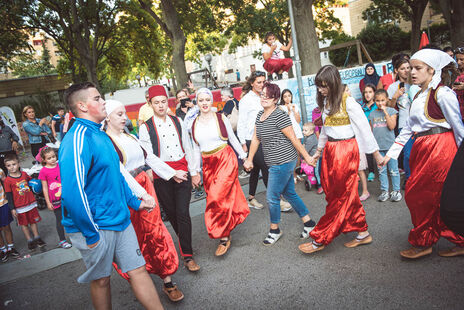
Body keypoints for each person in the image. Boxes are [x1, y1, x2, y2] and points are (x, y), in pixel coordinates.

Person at [59, 82, 163, 310]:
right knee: (102, 279)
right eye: (97, 98)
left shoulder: (102, 135)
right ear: (82, 106)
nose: (103, 101)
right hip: (95, 225)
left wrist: (135, 202)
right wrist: (90, 233)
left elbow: (116, 175)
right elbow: (72, 192)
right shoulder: (77, 138)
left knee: (138, 269)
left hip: (120, 219)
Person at [380, 49, 464, 259]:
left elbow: (458, 128)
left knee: (433, 197)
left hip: (441, 149)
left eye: (418, 68)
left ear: (431, 70)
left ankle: (431, 241)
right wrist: (390, 154)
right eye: (412, 68)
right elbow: (408, 128)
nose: (412, 72)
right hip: (422, 148)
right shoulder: (417, 94)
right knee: (420, 196)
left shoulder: (443, 94)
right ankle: (428, 240)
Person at [105, 99, 189, 302]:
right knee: (134, 238)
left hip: (145, 186)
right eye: (119, 114)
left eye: (124, 112)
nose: (125, 117)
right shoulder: (106, 142)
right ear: (107, 118)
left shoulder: (130, 137)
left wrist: (172, 173)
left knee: (156, 232)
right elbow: (121, 173)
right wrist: (142, 196)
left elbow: (149, 157)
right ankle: (140, 280)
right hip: (128, 194)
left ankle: (167, 281)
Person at [299, 65, 382, 254]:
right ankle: (362, 232)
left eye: (324, 86)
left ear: (333, 83)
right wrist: (318, 152)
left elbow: (364, 130)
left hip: (345, 151)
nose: (320, 90)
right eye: (319, 86)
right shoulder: (327, 102)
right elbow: (326, 131)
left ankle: (321, 237)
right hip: (331, 151)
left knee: (340, 196)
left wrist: (376, 154)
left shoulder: (349, 102)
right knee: (343, 194)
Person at [244, 82, 316, 245]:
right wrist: (249, 159)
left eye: (268, 95)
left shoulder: (280, 115)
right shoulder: (259, 115)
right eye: (262, 94)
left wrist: (307, 157)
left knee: (271, 197)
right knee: (290, 193)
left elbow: (294, 139)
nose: (264, 98)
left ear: (276, 98)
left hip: (284, 161)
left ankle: (275, 229)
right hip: (273, 162)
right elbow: (256, 138)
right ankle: (309, 223)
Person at [139, 85, 201, 271]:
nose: (160, 106)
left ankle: (188, 255)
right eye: (156, 103)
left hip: (183, 170)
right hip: (162, 176)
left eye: (163, 102)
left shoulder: (177, 121)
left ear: (168, 102)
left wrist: (194, 171)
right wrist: (172, 173)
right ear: (150, 104)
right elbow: (149, 156)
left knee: (183, 213)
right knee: (173, 214)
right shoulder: (145, 127)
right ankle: (185, 244)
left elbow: (187, 147)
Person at [190, 88, 250, 255]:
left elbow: (232, 138)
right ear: (197, 102)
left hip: (225, 158)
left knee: (216, 197)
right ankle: (226, 233)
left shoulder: (220, 117)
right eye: (200, 100)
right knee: (217, 198)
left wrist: (244, 157)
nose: (204, 103)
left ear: (211, 101)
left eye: (207, 100)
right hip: (207, 164)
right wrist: (194, 171)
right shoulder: (193, 123)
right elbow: (195, 149)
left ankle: (223, 237)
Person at [237, 72, 292, 211]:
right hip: (252, 139)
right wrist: (243, 143)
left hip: (265, 137)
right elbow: (241, 122)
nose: (262, 85)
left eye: (263, 81)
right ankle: (277, 200)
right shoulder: (245, 100)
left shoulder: (265, 95)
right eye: (259, 82)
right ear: (252, 83)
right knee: (267, 168)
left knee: (255, 170)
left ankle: (251, 198)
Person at [3, 153, 46, 250]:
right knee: (24, 224)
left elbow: (32, 184)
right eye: (9, 165)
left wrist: (37, 185)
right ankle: (30, 240)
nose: (12, 167)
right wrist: (12, 208)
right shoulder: (7, 181)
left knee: (33, 222)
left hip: (30, 203)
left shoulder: (24, 175)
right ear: (6, 167)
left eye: (14, 164)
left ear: (18, 164)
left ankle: (37, 237)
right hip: (19, 207)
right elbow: (9, 196)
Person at [368, 89, 401, 202]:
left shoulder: (392, 111)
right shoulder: (372, 114)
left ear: (387, 100)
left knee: (393, 170)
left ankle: (396, 191)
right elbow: (371, 131)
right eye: (377, 101)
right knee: (382, 171)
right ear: (374, 101)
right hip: (378, 148)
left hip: (390, 147)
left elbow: (392, 126)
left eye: (382, 100)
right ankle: (384, 191)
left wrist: (386, 112)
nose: (380, 103)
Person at [38, 147, 72, 249]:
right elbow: (44, 188)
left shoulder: (60, 165)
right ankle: (62, 240)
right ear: (44, 160)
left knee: (72, 216)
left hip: (66, 197)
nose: (52, 159)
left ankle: (76, 236)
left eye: (53, 156)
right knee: (60, 219)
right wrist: (48, 202)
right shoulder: (43, 171)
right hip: (55, 200)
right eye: (49, 158)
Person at [0, 168, 19, 262]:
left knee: (6, 227)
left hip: (2, 203)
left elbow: (5, 182)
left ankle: (11, 247)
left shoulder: (0, 171)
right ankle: (3, 250)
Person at [361, 84, 377, 182]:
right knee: (369, 153)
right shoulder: (362, 107)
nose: (368, 94)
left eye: (370, 92)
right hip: (367, 133)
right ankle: (371, 171)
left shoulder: (377, 105)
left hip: (378, 131)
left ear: (374, 93)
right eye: (366, 92)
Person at [301, 122, 318, 190]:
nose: (303, 132)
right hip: (312, 156)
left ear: (311, 131)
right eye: (303, 130)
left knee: (311, 170)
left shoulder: (310, 139)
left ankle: (316, 181)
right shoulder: (309, 137)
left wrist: (303, 157)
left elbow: (305, 150)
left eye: (305, 130)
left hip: (313, 157)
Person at [311, 106, 324, 194]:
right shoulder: (315, 111)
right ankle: (320, 185)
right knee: (318, 167)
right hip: (322, 140)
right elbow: (315, 127)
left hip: (331, 139)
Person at [452, 47, 464, 119]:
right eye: (457, 60)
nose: (459, 62)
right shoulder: (456, 73)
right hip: (459, 114)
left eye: (462, 59)